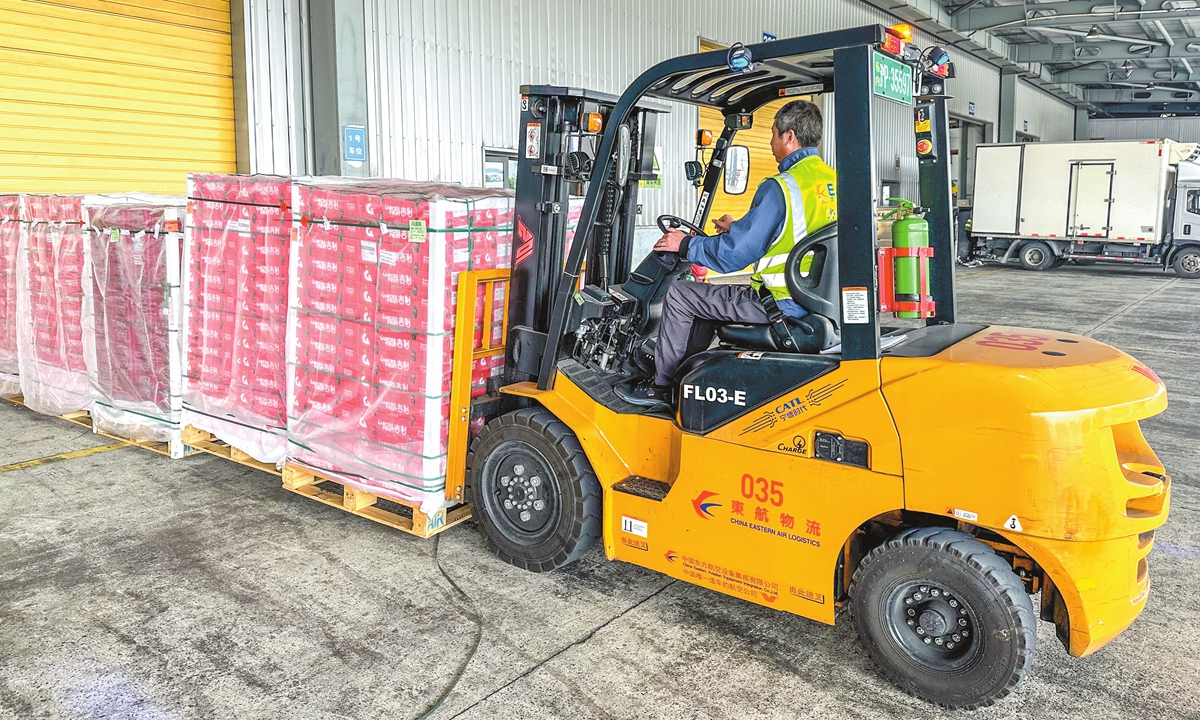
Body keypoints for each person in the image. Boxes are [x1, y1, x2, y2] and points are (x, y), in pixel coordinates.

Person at [616, 100, 837, 410]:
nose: (770, 143)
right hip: (812, 300)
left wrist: (684, 245)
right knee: (705, 297)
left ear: (788, 137)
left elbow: (735, 255)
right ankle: (688, 374)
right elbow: (793, 234)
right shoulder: (831, 181)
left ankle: (662, 387)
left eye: (772, 134)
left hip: (779, 303)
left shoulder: (782, 186)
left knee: (681, 293)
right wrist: (740, 226)